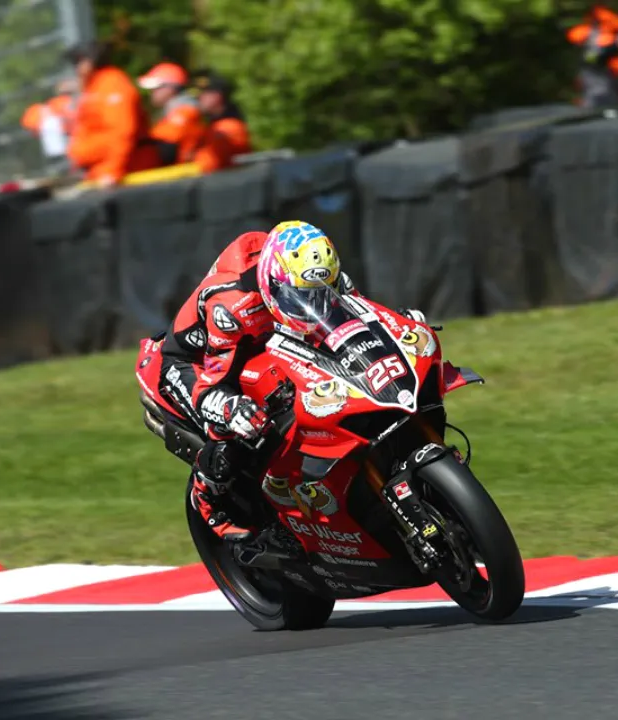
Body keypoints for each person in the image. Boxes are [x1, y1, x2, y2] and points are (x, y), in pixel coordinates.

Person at [153, 221, 427, 541]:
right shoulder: (232, 307)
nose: (311, 304)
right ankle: (207, 496)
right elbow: (212, 384)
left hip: (264, 338)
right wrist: (230, 408)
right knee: (241, 424)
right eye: (299, 296)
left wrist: (399, 325)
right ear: (273, 282)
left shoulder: (320, 275)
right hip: (197, 361)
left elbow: (362, 316)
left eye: (319, 293)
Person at [63, 41, 161, 187]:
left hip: (127, 171)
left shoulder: (113, 83)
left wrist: (113, 170)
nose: (76, 67)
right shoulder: (93, 85)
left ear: (91, 60)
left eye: (78, 61)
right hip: (98, 171)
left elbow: (122, 131)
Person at [192, 71, 252, 165]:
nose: (199, 97)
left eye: (204, 92)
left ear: (217, 96)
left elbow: (209, 165)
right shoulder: (213, 125)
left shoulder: (228, 128)